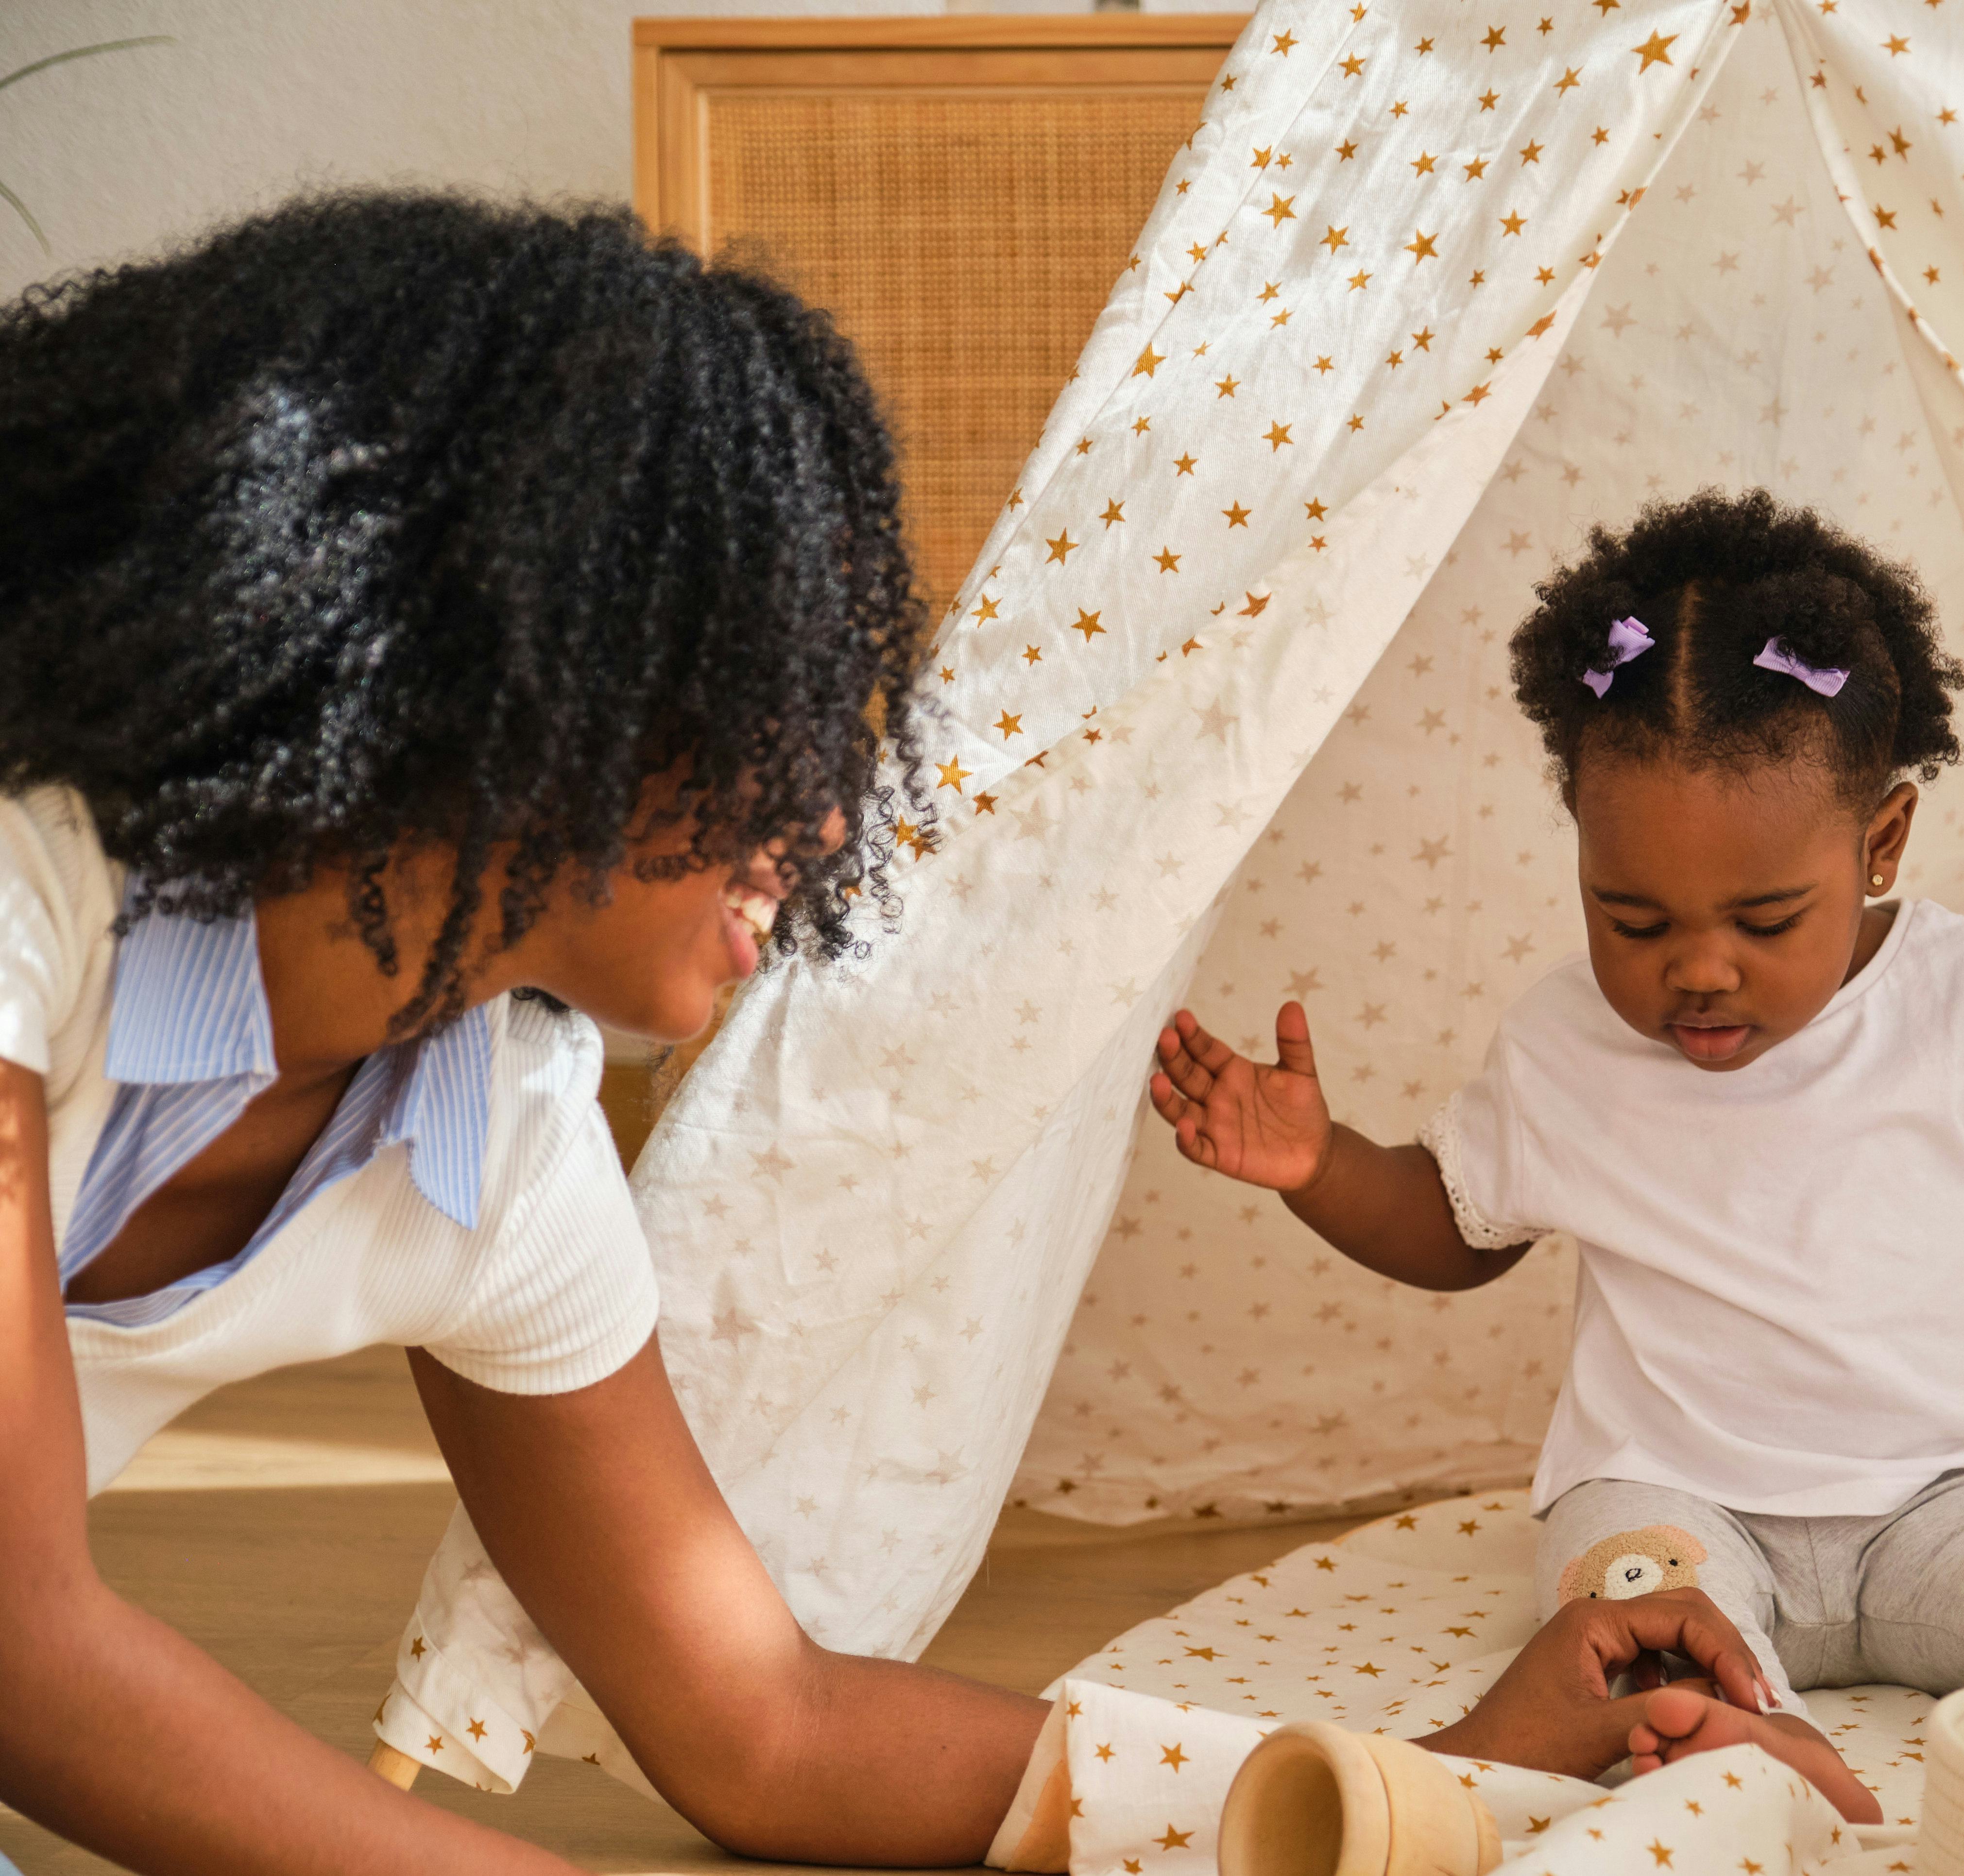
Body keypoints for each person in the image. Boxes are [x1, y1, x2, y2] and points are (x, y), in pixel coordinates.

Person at [0, 192, 1718, 1876]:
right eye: (774, 703)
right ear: (532, 657)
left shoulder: (497, 1143)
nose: (825, 819)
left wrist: (1412, 1785)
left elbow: (769, 1726)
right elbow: (24, 1649)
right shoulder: (27, 892)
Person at [1147, 490, 1964, 1823]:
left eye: (1767, 919)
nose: (1700, 970)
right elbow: (1454, 1226)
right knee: (1636, 1657)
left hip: (1951, 1500)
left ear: (1880, 843)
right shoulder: (1564, 1040)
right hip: (1678, 1510)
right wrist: (1323, 1166)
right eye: (1634, 918)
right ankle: (1747, 1794)